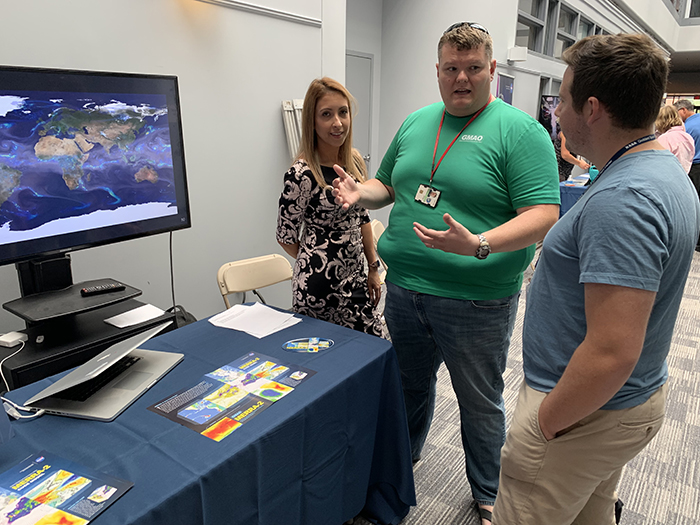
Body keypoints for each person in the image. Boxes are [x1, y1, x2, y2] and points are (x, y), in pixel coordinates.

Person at [332, 22, 560, 525]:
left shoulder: (521, 132)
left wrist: (478, 243)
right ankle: (402, 469)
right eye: (452, 69)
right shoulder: (417, 122)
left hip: (476, 298)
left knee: (478, 403)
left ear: (492, 71)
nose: (462, 78)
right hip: (407, 289)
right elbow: (387, 185)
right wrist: (358, 194)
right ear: (437, 71)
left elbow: (544, 214)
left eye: (473, 68)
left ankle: (488, 492)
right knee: (408, 387)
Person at [492, 33, 700, 525]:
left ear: (591, 108)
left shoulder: (624, 200)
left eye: (562, 100)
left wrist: (544, 425)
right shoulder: (661, 171)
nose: (557, 113)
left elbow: (611, 351)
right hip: (616, 405)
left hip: (582, 414)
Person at [276, 77, 383, 337]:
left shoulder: (354, 161)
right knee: (321, 364)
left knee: (373, 348)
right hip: (317, 291)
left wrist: (373, 267)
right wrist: (317, 258)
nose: (337, 123)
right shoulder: (301, 173)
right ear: (312, 122)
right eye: (326, 114)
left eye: (343, 112)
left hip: (356, 282)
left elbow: (363, 217)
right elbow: (285, 236)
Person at [674, 98, 700, 251]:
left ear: (683, 110)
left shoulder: (686, 127)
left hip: (695, 169)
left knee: (691, 204)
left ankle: (690, 239)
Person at [655, 104, 695, 173]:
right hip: (684, 175)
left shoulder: (665, 139)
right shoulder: (688, 137)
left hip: (668, 176)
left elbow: (659, 163)